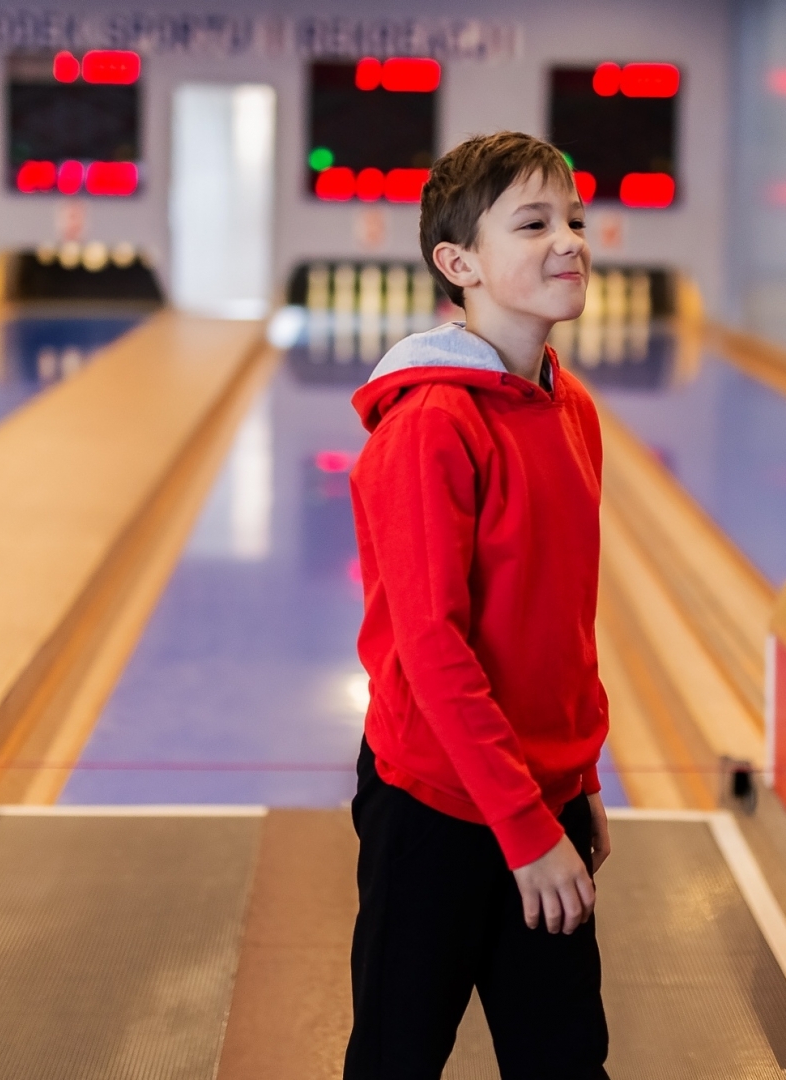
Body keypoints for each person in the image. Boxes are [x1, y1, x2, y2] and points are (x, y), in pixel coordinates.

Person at [344, 131, 611, 1080]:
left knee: (569, 1061)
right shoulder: (431, 427)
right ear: (458, 264)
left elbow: (560, 623)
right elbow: (432, 649)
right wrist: (526, 828)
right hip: (439, 810)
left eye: (574, 218)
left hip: (540, 800)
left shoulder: (569, 406)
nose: (570, 240)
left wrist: (576, 783)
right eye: (534, 222)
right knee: (396, 1059)